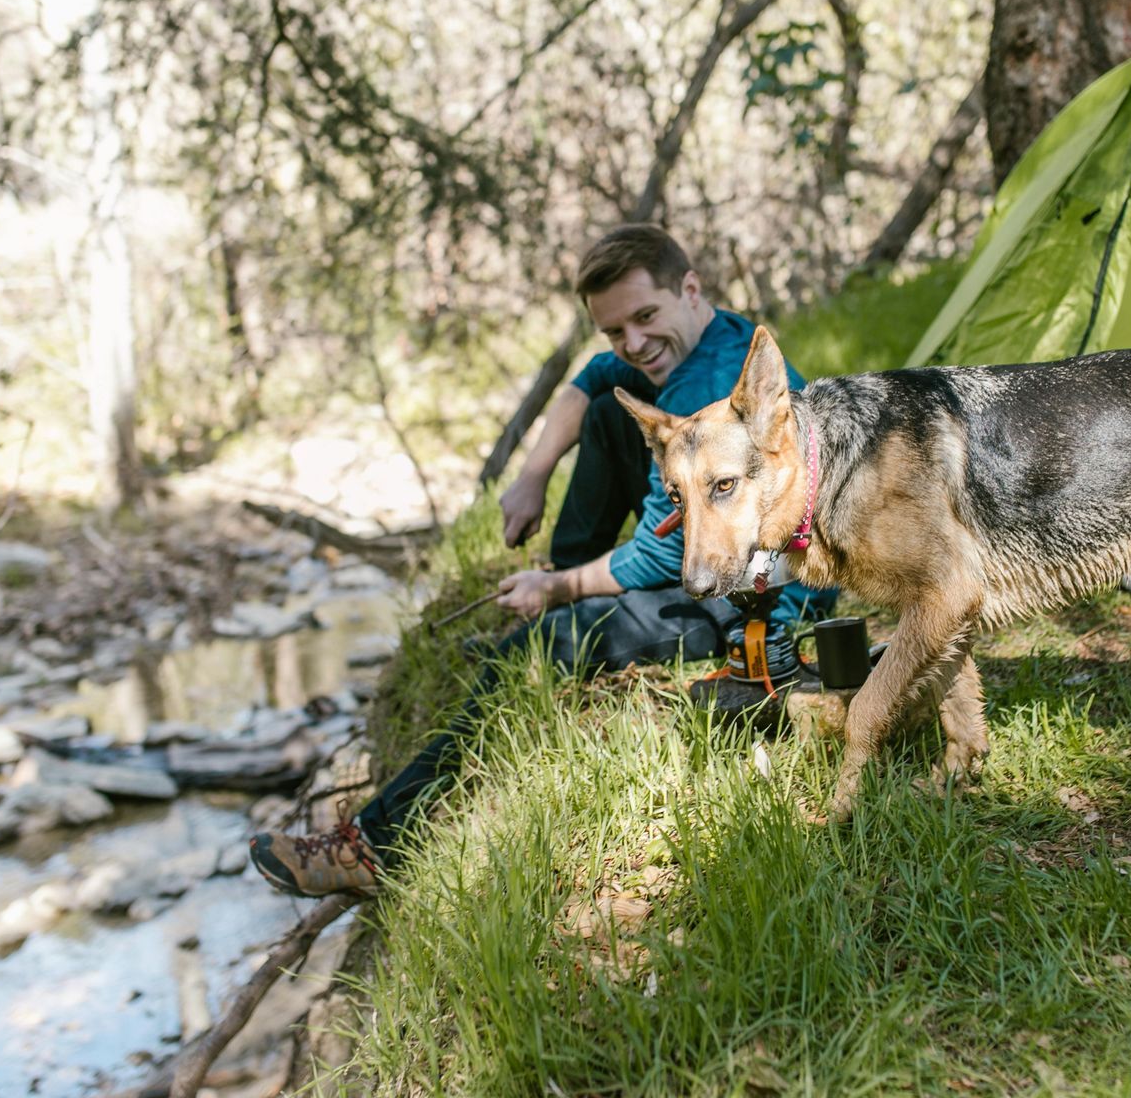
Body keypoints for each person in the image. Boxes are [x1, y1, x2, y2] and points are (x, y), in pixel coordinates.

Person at [250, 225, 833, 896]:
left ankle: (370, 850)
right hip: (712, 561)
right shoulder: (699, 338)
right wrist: (532, 475)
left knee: (539, 645)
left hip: (755, 598)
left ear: (690, 289)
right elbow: (591, 378)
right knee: (611, 413)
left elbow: (658, 555)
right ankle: (571, 609)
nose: (633, 343)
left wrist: (555, 588)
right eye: (615, 330)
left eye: (645, 317)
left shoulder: (704, 392)